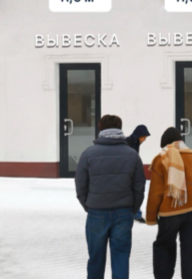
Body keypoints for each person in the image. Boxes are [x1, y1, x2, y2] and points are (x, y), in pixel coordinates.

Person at [75, 114, 146, 279]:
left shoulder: (88, 154)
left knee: (95, 259)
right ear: (120, 128)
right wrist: (133, 209)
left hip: (96, 212)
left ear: (100, 128)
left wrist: (88, 205)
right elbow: (139, 187)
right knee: (121, 257)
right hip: (123, 212)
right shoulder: (132, 155)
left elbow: (80, 185)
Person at [146, 127, 192, 279]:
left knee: (164, 247)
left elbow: (155, 192)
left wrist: (151, 217)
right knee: (190, 248)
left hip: (169, 214)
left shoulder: (161, 159)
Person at [126, 125, 151, 223]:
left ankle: (136, 212)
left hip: (132, 170)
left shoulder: (135, 142)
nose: (145, 139)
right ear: (139, 135)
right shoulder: (129, 142)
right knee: (134, 191)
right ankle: (135, 213)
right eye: (144, 137)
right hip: (129, 172)